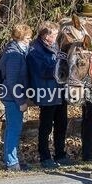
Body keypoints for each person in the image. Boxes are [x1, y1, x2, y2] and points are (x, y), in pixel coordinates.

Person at [27, 21, 71, 169]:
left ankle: (60, 153)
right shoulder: (35, 49)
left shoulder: (56, 46)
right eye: (54, 34)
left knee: (62, 123)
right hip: (46, 91)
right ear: (46, 35)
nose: (56, 37)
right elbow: (42, 71)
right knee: (46, 126)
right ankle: (45, 156)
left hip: (59, 90)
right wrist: (61, 66)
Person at [1, 23, 32, 171]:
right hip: (13, 98)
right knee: (14, 129)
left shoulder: (17, 51)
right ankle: (11, 162)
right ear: (19, 38)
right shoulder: (14, 55)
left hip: (13, 96)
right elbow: (12, 81)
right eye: (27, 38)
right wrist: (21, 101)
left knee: (12, 129)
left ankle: (12, 159)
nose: (29, 41)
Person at [75, 3, 92, 161]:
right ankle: (88, 151)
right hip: (87, 78)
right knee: (90, 116)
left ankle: (91, 149)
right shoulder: (81, 32)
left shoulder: (88, 30)